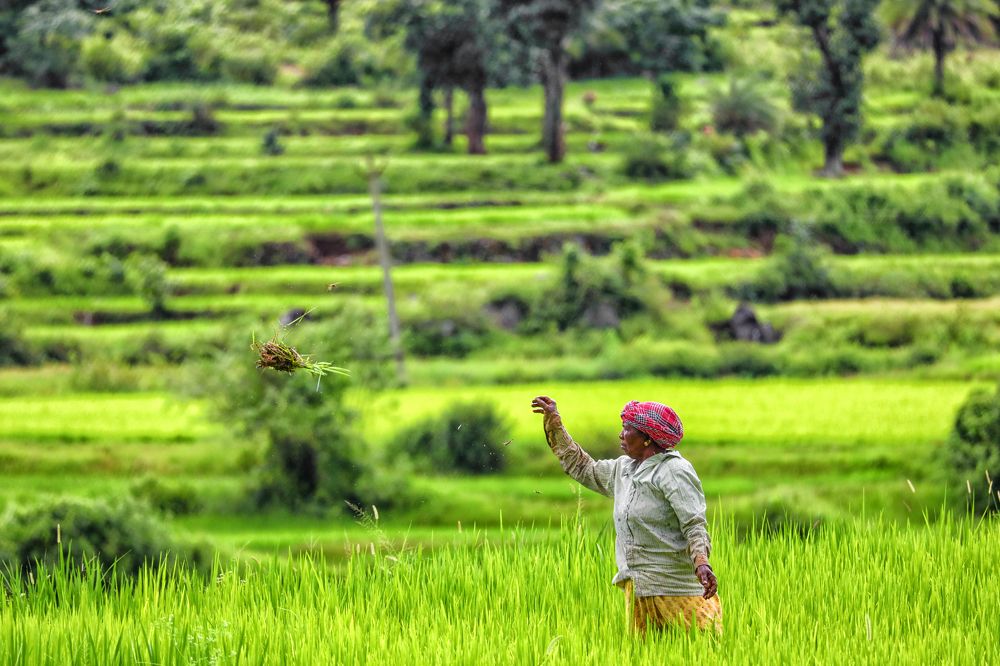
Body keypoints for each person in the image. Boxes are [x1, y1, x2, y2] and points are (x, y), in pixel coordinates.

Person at [531, 395, 721, 634]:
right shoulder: (624, 470)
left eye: (627, 429)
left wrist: (702, 562)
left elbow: (693, 523)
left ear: (647, 439)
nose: (621, 434)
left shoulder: (673, 471)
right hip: (639, 587)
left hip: (676, 588)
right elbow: (583, 467)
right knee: (644, 656)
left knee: (698, 651)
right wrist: (554, 423)